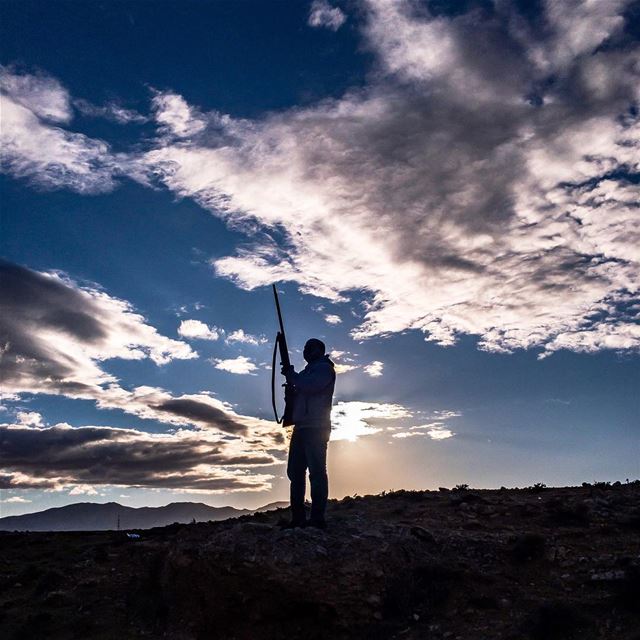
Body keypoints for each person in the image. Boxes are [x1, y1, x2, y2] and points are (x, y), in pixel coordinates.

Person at [281, 338, 336, 529]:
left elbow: (312, 386)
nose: (306, 351)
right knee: (295, 472)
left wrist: (292, 376)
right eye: (305, 348)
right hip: (302, 426)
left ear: (320, 350)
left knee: (316, 473)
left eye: (310, 348)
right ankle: (298, 518)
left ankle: (317, 519)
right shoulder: (307, 371)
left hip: (316, 427)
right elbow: (302, 390)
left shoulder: (323, 369)